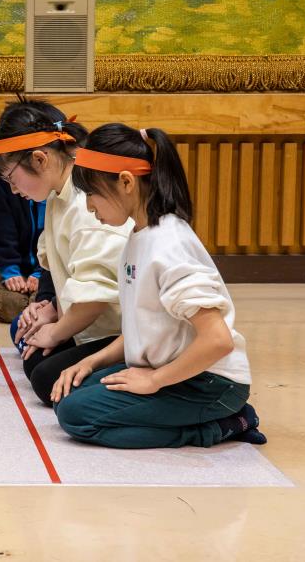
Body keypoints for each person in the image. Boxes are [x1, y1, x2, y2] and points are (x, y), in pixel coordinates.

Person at [51, 123, 267, 448]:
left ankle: (224, 423)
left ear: (125, 182)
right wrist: (92, 361)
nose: (89, 206)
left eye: (92, 193)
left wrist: (153, 380)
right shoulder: (140, 234)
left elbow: (218, 341)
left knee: (76, 415)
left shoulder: (169, 244)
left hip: (209, 383)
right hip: (175, 371)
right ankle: (203, 414)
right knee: (71, 390)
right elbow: (146, 326)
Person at [0, 100, 130, 405]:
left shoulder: (87, 203)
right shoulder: (57, 193)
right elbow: (56, 266)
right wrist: (49, 307)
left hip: (116, 329)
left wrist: (55, 332)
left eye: (12, 180)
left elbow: (96, 297)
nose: (13, 191)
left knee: (44, 376)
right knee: (29, 342)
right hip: (82, 315)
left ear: (40, 159)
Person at [0, 170, 56, 323]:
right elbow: (1, 228)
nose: (14, 190)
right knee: (11, 306)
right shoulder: (3, 176)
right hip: (18, 269)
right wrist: (10, 270)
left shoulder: (55, 182)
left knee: (41, 308)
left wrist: (41, 272)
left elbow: (53, 239)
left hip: (49, 270)